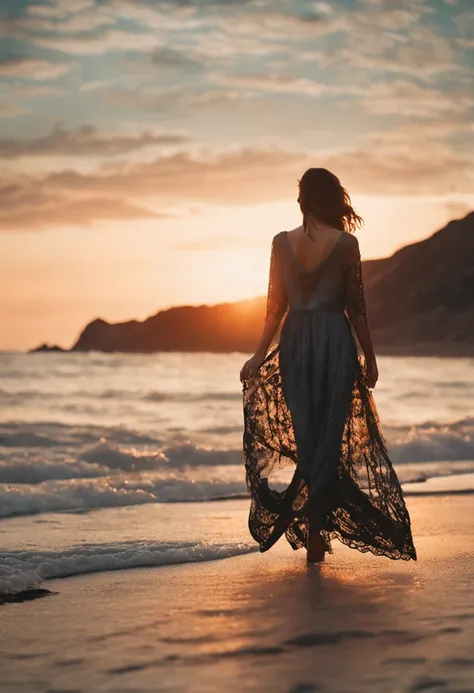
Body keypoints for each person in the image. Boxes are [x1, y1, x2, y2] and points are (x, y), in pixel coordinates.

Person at [240, 168, 416, 562]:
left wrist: (257, 354)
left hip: (295, 343)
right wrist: (370, 356)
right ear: (334, 200)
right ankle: (316, 530)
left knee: (308, 440)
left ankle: (315, 532)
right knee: (328, 441)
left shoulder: (281, 244)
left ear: (302, 200)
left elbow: (274, 310)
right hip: (335, 340)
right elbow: (356, 310)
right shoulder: (346, 244)